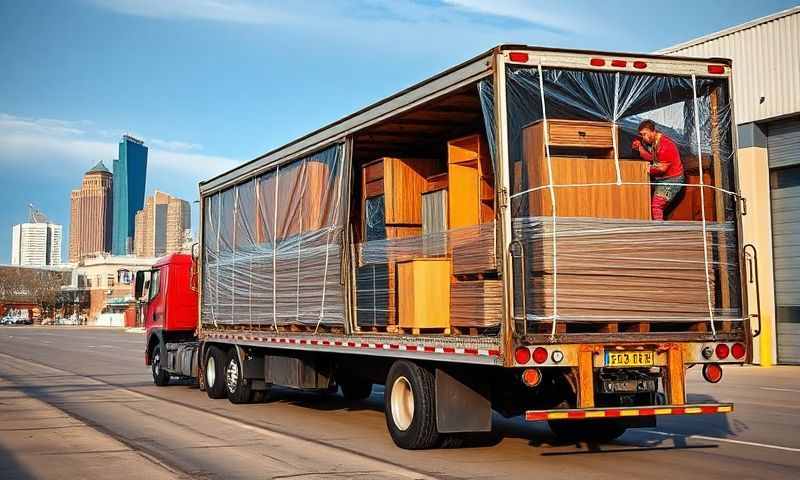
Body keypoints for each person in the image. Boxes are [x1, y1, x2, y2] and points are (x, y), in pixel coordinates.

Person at [631, 119, 685, 221]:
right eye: (642, 135)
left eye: (645, 134)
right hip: (663, 179)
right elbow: (651, 158)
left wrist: (648, 169)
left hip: (673, 179)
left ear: (653, 131)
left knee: (657, 205)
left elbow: (661, 169)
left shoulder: (665, 145)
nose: (644, 137)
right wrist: (640, 148)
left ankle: (660, 231)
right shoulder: (656, 142)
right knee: (650, 201)